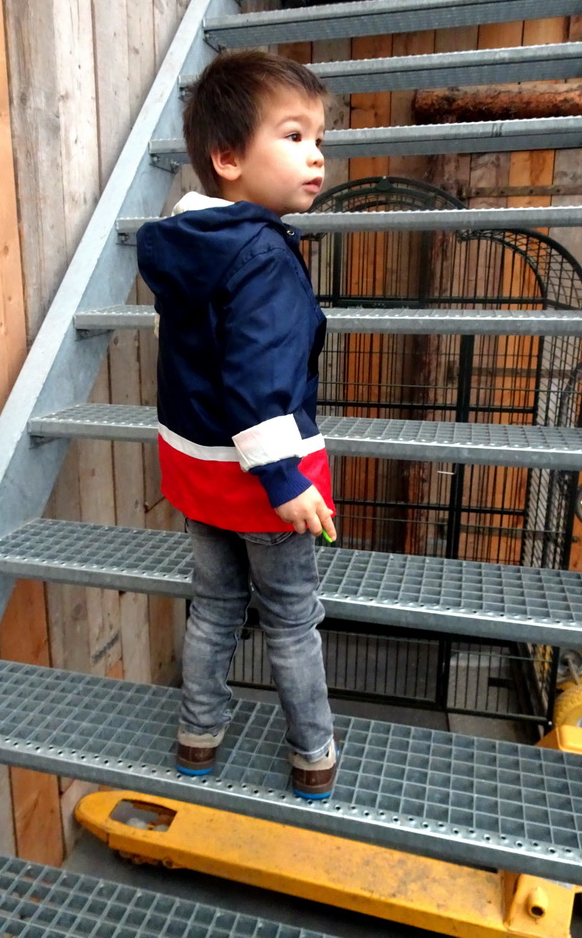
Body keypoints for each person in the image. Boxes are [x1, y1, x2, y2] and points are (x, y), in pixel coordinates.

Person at [136, 49, 339, 799]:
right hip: (264, 480)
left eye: (319, 139)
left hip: (198, 468)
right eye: (293, 137)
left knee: (215, 607)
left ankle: (198, 737)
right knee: (290, 619)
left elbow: (195, 365)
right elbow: (257, 380)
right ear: (227, 158)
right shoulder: (261, 257)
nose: (315, 155)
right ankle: (313, 754)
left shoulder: (193, 247)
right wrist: (283, 477)